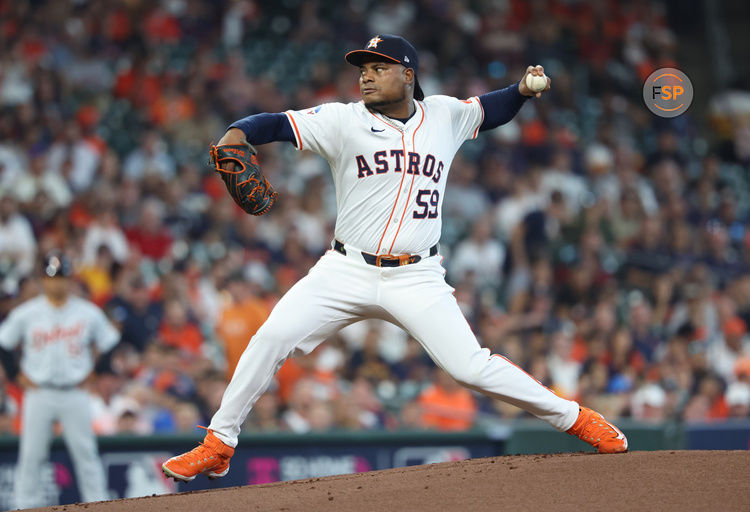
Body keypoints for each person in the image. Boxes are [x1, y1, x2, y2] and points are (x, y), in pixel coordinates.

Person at [163, 34, 627, 483]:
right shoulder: (341, 120)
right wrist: (235, 134)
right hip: (345, 268)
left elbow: (490, 110)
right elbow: (275, 124)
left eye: (378, 68)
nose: (366, 77)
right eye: (363, 69)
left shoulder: (443, 115)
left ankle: (578, 420)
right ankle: (219, 444)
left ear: (407, 75)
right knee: (272, 335)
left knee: (469, 366)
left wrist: (523, 91)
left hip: (417, 275)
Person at [0, 251, 120, 508]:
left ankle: (99, 504)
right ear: (44, 280)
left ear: (70, 279)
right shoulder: (27, 313)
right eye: (52, 277)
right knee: (31, 456)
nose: (57, 283)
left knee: (86, 454)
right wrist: (14, 375)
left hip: (74, 392)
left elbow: (110, 343)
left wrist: (96, 370)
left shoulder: (87, 312)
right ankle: (25, 506)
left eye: (62, 277)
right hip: (39, 392)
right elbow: (4, 342)